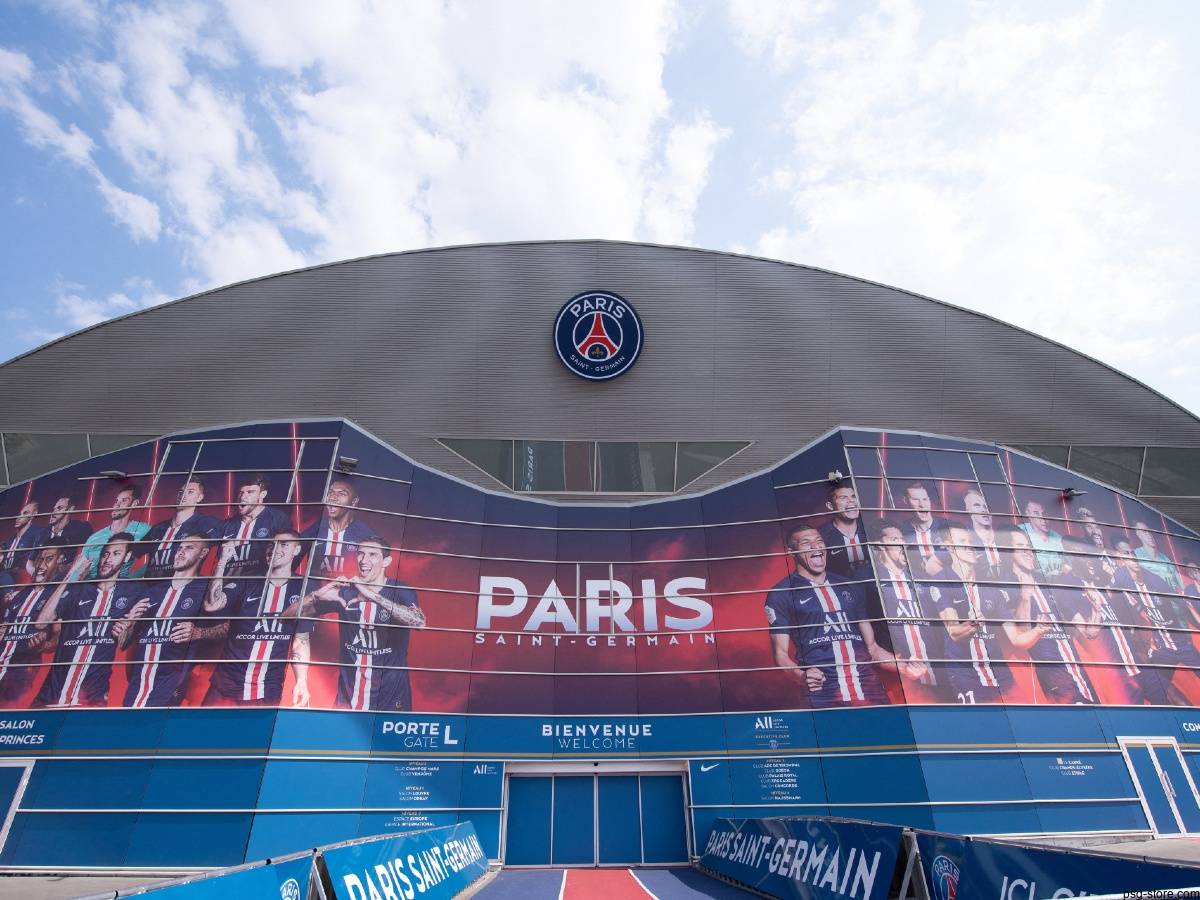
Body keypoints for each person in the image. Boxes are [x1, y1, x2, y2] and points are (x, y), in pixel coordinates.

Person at [287, 535, 424, 711]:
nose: (364, 560)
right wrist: (315, 595)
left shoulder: (400, 591)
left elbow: (418, 622)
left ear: (386, 561)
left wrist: (374, 597)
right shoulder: (345, 592)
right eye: (361, 554)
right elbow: (288, 617)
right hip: (348, 700)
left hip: (392, 699)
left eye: (373, 555)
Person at [764, 523, 893, 707]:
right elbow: (780, 655)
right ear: (792, 552)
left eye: (819, 541)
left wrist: (905, 665)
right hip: (823, 694)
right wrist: (800, 676)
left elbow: (873, 649)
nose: (816, 546)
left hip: (870, 688)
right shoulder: (782, 593)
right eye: (806, 543)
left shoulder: (850, 586)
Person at [931, 523, 1044, 704]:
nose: (969, 546)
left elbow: (1017, 639)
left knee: (1024, 722)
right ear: (949, 547)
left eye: (970, 541)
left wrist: (1039, 630)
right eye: (962, 542)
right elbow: (954, 633)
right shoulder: (942, 580)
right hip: (966, 675)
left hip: (1001, 676)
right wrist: (971, 625)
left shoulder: (990, 590)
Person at [203, 529, 313, 707]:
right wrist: (222, 562)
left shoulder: (303, 587)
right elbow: (211, 605)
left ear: (297, 550)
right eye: (271, 544)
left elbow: (301, 639)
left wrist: (301, 680)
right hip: (224, 686)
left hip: (266, 691)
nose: (274, 549)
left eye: (283, 544)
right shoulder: (247, 580)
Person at [33, 533, 142, 707]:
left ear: (127, 557)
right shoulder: (80, 589)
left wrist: (131, 623)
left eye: (116, 554)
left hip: (92, 696)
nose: (107, 559)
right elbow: (41, 622)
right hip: (50, 694)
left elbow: (124, 643)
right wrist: (70, 576)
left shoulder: (135, 590)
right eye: (106, 554)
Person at [1058, 536, 1165, 706]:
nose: (1090, 561)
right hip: (1117, 674)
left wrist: (1143, 640)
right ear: (1071, 556)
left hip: (1136, 662)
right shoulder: (1066, 585)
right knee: (1137, 725)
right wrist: (1096, 610)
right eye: (1084, 555)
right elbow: (1088, 634)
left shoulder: (1099, 582)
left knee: (1175, 700)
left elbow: (1121, 620)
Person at [119, 535, 224, 707]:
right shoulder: (154, 591)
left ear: (203, 553)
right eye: (180, 548)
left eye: (189, 548)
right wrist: (130, 623)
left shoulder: (206, 588)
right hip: (135, 687)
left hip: (171, 685)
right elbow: (124, 644)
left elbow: (230, 627)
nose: (181, 553)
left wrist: (199, 632)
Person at [1004, 527, 1097, 704]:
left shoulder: (1046, 581)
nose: (1027, 551)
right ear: (1009, 551)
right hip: (1054, 674)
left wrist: (1095, 610)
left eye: (1028, 546)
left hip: (1077, 667)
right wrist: (1025, 595)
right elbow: (1022, 633)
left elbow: (1077, 632)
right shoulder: (1007, 582)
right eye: (1020, 546)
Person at [1111, 534, 1200, 703]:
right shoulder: (1121, 576)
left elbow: (1184, 606)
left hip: (1182, 644)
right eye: (1127, 554)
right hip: (1162, 649)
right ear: (1120, 557)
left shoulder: (1157, 583)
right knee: (1158, 686)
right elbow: (1113, 599)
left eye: (1134, 553)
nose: (1133, 558)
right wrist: (1146, 635)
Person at [869, 519, 944, 700]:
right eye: (895, 540)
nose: (902, 544)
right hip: (899, 678)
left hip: (938, 673)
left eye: (903, 539)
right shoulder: (867, 579)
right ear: (880, 545)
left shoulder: (920, 577)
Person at [0, 539, 70, 704]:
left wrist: (42, 646)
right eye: (40, 559)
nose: (41, 565)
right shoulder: (19, 594)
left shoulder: (57, 596)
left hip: (22, 670)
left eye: (48, 559)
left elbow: (56, 639)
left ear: (59, 562)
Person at [135, 476, 220, 583]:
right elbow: (134, 553)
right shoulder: (158, 528)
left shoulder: (206, 524)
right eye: (181, 491)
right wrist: (133, 581)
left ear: (200, 498)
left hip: (180, 590)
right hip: (150, 591)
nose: (183, 495)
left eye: (190, 492)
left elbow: (232, 538)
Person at [217, 473, 293, 580]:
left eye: (250, 492)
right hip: (225, 585)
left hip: (257, 586)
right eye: (240, 492)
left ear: (262, 494)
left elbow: (288, 553)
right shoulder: (226, 525)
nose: (243, 497)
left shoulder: (278, 518)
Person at [301, 479, 374, 581]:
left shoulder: (366, 535)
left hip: (349, 596)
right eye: (330, 493)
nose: (333, 498)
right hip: (315, 595)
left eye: (341, 494)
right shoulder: (314, 530)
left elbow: (375, 576)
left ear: (354, 501)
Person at [81, 484, 150, 579]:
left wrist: (132, 579)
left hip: (116, 589)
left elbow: (158, 555)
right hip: (89, 588)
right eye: (116, 501)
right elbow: (78, 570)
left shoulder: (143, 530)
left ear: (134, 503)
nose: (116, 505)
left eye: (124, 500)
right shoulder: (94, 538)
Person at [898, 483, 952, 577]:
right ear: (905, 500)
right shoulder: (900, 531)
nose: (922, 505)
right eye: (915, 499)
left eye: (925, 499)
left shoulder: (948, 527)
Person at [818, 484, 868, 579]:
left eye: (853, 496)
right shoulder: (821, 536)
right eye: (843, 497)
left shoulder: (870, 530)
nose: (851, 500)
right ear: (830, 506)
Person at [0, 500, 46, 586]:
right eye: (20, 514)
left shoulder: (38, 532)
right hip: (6, 580)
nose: (19, 517)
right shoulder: (10, 540)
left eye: (25, 513)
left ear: (34, 514)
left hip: (24, 581)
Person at [1018, 499, 1066, 578]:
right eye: (1036, 514)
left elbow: (1069, 564)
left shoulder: (1057, 538)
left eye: (1044, 514)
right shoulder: (1019, 532)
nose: (1042, 519)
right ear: (1028, 514)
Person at [963, 489, 1003, 581]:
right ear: (967, 509)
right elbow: (933, 565)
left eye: (986, 506)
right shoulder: (963, 536)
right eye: (977, 505)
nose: (983, 510)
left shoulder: (1004, 535)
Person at [1133, 520, 1183, 592]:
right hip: (1153, 601)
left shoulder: (1167, 561)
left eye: (1149, 532)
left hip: (1174, 602)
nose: (1149, 535)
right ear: (1138, 535)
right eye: (1144, 532)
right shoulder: (1135, 555)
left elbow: (1183, 588)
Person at [42, 491, 94, 560]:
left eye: (60, 508)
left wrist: (73, 568)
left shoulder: (80, 528)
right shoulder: (43, 534)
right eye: (55, 508)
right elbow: (31, 560)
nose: (54, 512)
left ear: (70, 509)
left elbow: (93, 553)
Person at [1076, 508, 1116, 583]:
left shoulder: (1110, 553)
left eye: (1096, 527)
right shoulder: (1085, 557)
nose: (1095, 531)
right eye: (1089, 527)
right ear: (1082, 528)